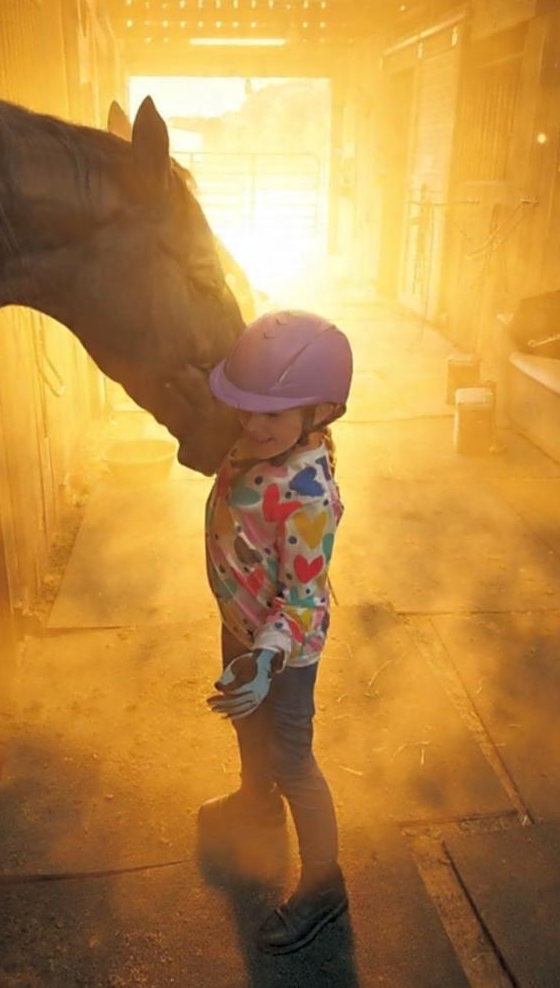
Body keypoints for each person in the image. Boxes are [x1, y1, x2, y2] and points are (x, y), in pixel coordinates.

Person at [200, 309, 353, 954]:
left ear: (320, 411)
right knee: (246, 725)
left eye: (272, 412)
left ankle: (324, 884)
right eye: (246, 408)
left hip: (284, 653)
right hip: (242, 624)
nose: (252, 424)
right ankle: (256, 804)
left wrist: (265, 659)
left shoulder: (308, 495)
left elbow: (303, 601)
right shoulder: (260, 443)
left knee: (293, 759)